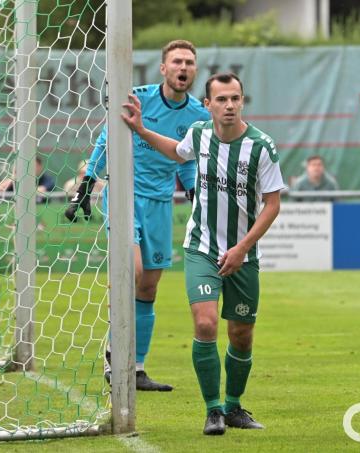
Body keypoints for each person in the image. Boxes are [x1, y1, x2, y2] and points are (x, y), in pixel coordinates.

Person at [122, 73, 285, 435]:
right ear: (208, 104)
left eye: (235, 99)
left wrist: (242, 249)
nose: (229, 106)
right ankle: (213, 410)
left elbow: (272, 205)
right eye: (222, 99)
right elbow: (176, 152)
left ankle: (234, 406)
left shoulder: (261, 146)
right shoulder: (199, 134)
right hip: (201, 248)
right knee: (206, 324)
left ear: (242, 101)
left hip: (243, 255)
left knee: (241, 334)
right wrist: (142, 130)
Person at [65, 40, 210, 391]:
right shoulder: (138, 98)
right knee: (134, 272)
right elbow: (107, 138)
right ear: (163, 68)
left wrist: (193, 194)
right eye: (177, 61)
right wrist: (87, 183)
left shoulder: (198, 116)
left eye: (190, 62)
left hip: (161, 202)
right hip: (124, 195)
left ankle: (137, 368)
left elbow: (186, 160)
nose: (183, 67)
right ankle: (115, 357)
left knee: (148, 286)